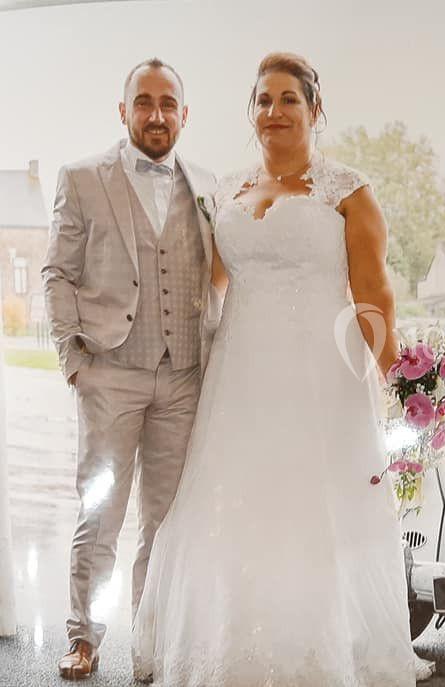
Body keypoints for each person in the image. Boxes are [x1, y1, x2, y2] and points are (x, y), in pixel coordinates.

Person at [131, 52, 434, 685]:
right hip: (237, 380)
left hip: (320, 381)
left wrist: (402, 385)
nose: (273, 112)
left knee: (315, 509)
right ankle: (228, 644)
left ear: (315, 111)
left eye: (288, 99)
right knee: (232, 507)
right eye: (263, 101)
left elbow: (374, 296)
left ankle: (323, 649)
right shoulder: (227, 192)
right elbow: (209, 285)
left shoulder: (349, 193)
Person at [41, 59, 218, 680]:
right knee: (100, 513)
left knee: (166, 521)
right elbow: (57, 274)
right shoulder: (83, 177)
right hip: (109, 370)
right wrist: (74, 363)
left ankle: (152, 644)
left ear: (185, 114)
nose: (157, 114)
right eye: (143, 102)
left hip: (182, 377)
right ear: (124, 111)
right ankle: (83, 637)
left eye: (168, 103)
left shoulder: (207, 184)